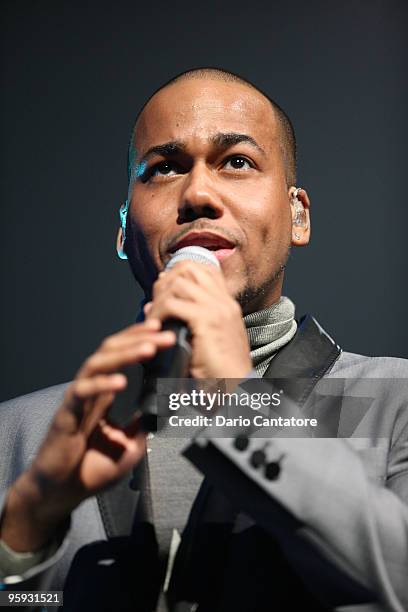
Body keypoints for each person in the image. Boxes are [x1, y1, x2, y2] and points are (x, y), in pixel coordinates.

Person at [0, 67, 407, 612]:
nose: (197, 193)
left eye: (237, 162)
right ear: (124, 232)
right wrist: (22, 537)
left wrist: (240, 405)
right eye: (164, 169)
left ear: (298, 216)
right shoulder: (18, 434)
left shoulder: (397, 400)